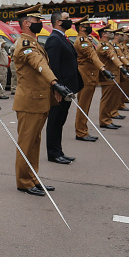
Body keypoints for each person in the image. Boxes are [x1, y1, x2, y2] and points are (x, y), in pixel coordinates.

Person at [12, 4, 72, 196]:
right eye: (38, 20)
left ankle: (33, 177)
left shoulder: (35, 42)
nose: (41, 23)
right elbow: (39, 65)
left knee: (35, 143)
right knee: (26, 143)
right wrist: (55, 83)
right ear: (28, 23)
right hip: (29, 102)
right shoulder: (25, 45)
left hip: (38, 101)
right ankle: (23, 181)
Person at [44, 11, 82, 165]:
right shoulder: (54, 39)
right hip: (60, 89)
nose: (70, 21)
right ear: (58, 22)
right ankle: (53, 153)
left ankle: (58, 151)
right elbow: (53, 66)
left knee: (60, 121)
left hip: (67, 88)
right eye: (67, 19)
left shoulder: (62, 38)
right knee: (55, 121)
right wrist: (56, 88)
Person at [73, 17, 114, 142]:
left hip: (89, 75)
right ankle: (81, 132)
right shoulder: (82, 41)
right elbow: (92, 55)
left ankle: (83, 130)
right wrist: (103, 69)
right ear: (81, 28)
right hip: (85, 76)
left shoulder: (86, 39)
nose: (90, 27)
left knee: (86, 105)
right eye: (87, 25)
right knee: (83, 105)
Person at [96, 26, 125, 130]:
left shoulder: (108, 44)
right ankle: (104, 120)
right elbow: (112, 56)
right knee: (106, 99)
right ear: (104, 34)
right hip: (107, 76)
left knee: (110, 99)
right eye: (109, 32)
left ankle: (108, 118)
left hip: (112, 75)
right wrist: (121, 66)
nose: (112, 34)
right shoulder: (103, 46)